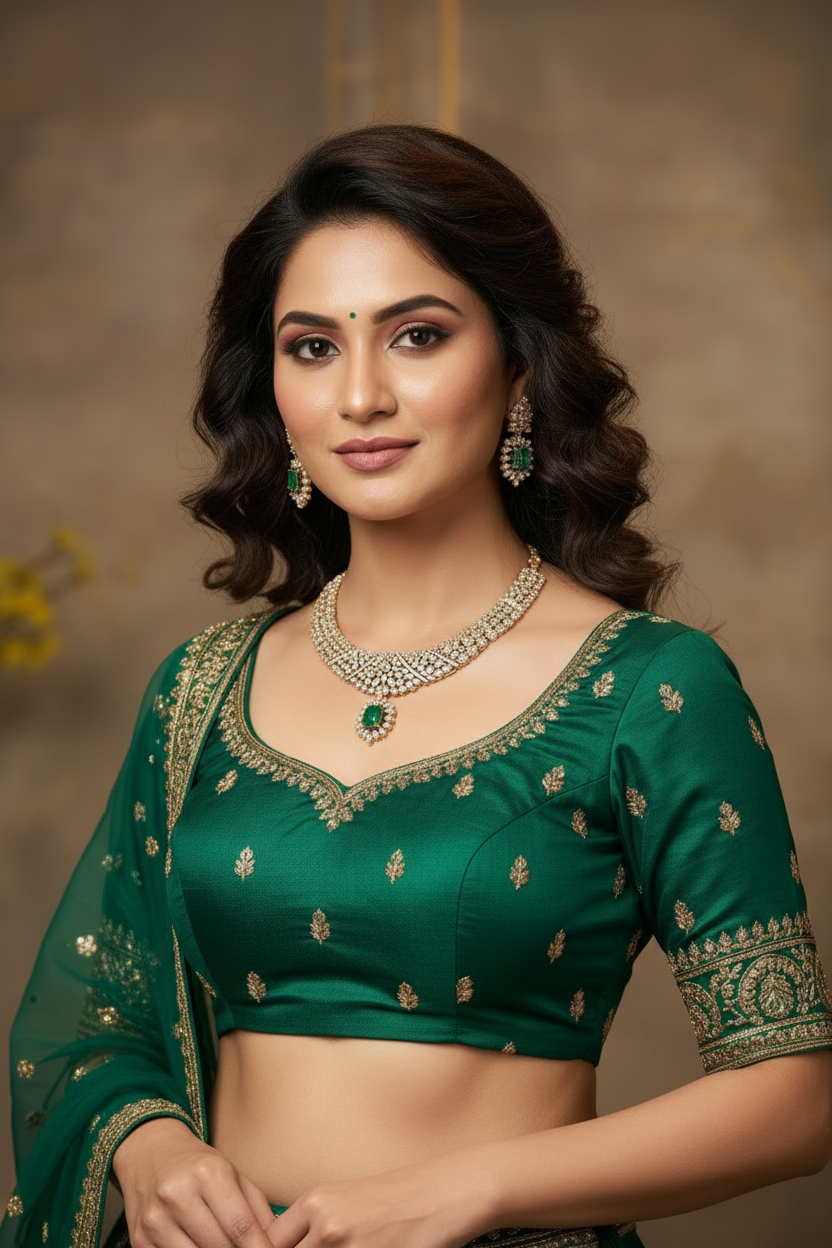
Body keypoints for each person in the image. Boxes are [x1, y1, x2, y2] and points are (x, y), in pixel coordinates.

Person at [4, 124, 831, 1248]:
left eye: (418, 336)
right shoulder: (201, 685)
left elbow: (790, 1093)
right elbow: (89, 1018)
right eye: (311, 348)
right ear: (277, 395)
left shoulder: (649, 689)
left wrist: (471, 1188)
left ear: (520, 368)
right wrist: (151, 1150)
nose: (360, 395)